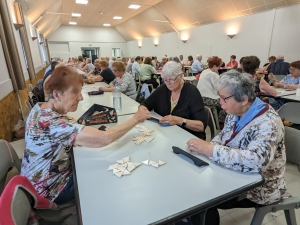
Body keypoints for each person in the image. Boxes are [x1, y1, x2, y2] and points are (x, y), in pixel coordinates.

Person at [21, 66, 150, 204]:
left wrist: (65, 119)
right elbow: (103, 138)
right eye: (74, 92)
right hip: (50, 190)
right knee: (107, 177)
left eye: (80, 91)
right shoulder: (54, 124)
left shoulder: (40, 108)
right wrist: (136, 118)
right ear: (57, 95)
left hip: (34, 182)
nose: (81, 97)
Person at [186, 71, 286, 225]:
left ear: (244, 99)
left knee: (201, 200)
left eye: (224, 98)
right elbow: (223, 137)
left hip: (261, 187)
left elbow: (256, 162)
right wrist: (207, 147)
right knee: (191, 186)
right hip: (233, 174)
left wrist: (209, 150)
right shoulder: (235, 110)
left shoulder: (268, 123)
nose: (220, 102)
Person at [140, 61, 207, 140]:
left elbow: (201, 126)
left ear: (181, 76)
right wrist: (142, 110)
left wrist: (179, 120)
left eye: (172, 79)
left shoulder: (192, 92)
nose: (168, 83)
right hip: (168, 135)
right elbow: (145, 104)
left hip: (188, 138)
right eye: (165, 80)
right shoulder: (163, 88)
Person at [197, 56, 226, 123]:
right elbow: (219, 89)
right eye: (218, 67)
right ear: (214, 66)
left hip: (200, 98)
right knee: (226, 104)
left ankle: (216, 120)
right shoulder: (213, 74)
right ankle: (221, 122)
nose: (218, 69)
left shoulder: (204, 72)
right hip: (208, 98)